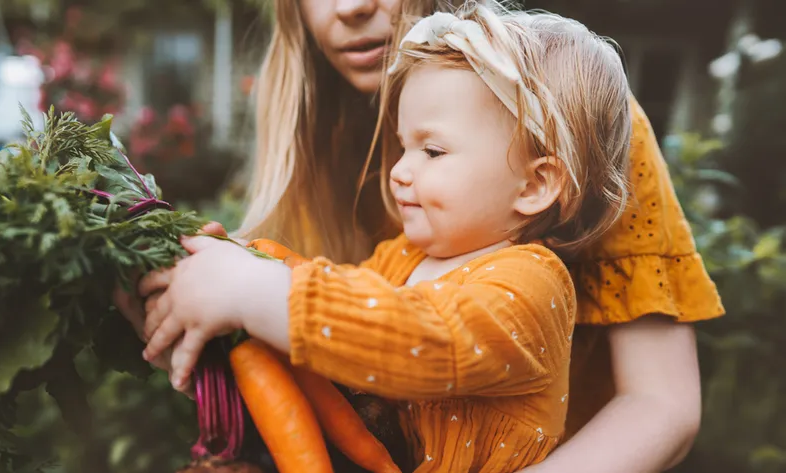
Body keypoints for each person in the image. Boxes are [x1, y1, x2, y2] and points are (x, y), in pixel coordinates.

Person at [115, 1, 725, 472]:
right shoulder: (408, 249)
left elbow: (422, 338)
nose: (399, 171)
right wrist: (202, 282)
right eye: (404, 147)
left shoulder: (532, 269)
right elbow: (341, 309)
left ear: (538, 183)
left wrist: (252, 290)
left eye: (431, 150)